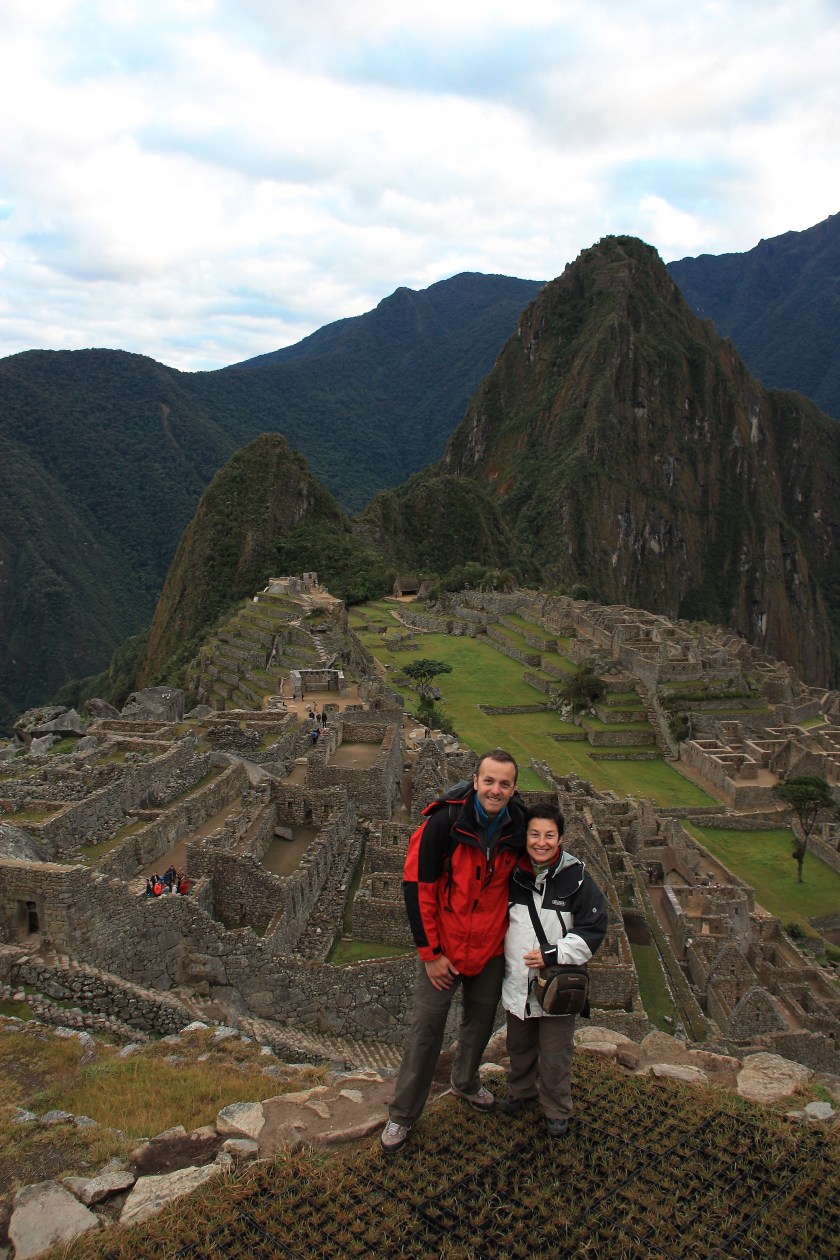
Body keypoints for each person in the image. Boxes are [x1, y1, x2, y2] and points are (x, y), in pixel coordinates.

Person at [380, 749, 527, 1154]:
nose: (496, 789)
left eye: (505, 783)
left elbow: (543, 861)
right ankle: (402, 1114)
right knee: (425, 1031)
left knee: (479, 1024)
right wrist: (430, 954)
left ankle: (466, 1082)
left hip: (489, 948)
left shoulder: (519, 827)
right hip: (444, 947)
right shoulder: (444, 823)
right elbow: (417, 888)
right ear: (475, 780)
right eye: (490, 781)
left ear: (514, 789)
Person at [499, 803, 608, 1137]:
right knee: (518, 1044)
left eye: (549, 835)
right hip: (518, 980)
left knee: (556, 1051)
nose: (541, 842)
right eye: (535, 834)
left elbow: (593, 928)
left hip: (556, 984)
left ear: (560, 837)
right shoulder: (512, 874)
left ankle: (556, 1108)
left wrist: (552, 953)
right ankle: (521, 1090)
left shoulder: (576, 879)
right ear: (526, 836)